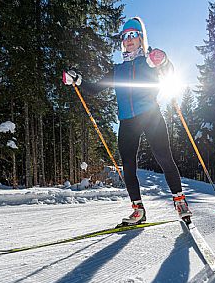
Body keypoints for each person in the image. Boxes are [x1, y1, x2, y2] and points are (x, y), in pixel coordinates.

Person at [63, 16, 192, 225]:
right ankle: (138, 210)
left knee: (164, 157)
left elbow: (169, 73)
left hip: (151, 116)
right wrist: (77, 80)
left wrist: (164, 60)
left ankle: (180, 201)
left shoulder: (149, 61)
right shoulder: (117, 70)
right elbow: (95, 89)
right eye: (125, 36)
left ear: (141, 38)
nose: (129, 39)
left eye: (133, 35)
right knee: (128, 167)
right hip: (127, 121)